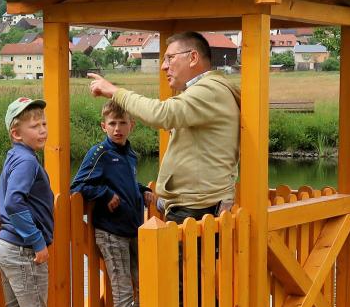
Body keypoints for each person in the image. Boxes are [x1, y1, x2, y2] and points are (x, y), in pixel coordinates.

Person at [87, 31, 240, 222]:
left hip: (196, 210)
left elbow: (161, 114)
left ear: (193, 57)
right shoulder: (204, 91)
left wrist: (114, 92)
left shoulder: (210, 90)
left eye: (170, 58)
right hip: (197, 207)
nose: (163, 66)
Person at [0, 97, 68, 307]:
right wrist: (37, 240)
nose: (42, 129)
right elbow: (14, 203)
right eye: (33, 125)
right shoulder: (26, 161)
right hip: (23, 250)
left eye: (44, 124)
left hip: (6, 246)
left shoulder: (16, 156)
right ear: (16, 132)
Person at [70, 100, 154, 307]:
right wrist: (105, 194)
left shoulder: (130, 155)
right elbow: (79, 185)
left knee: (145, 287)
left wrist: (141, 190)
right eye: (113, 124)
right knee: (121, 290)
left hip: (133, 229)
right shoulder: (100, 153)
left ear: (132, 124)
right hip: (111, 232)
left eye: (123, 123)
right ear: (103, 126)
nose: (118, 129)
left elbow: (125, 182)